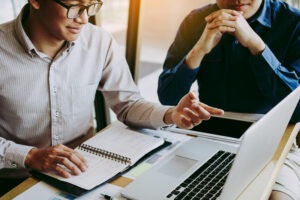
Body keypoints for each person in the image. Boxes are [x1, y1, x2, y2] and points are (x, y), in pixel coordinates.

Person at [0, 0, 225, 196]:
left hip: (83, 175)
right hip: (14, 181)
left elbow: (128, 105)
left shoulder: (98, 42)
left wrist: (171, 114)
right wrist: (29, 156)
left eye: (90, 6)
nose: (83, 19)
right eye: (74, 7)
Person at [157, 0, 300, 199]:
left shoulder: (293, 23)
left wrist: (256, 45)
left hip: (270, 142)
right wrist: (199, 50)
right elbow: (167, 98)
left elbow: (297, 109)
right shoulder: (195, 21)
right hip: (206, 136)